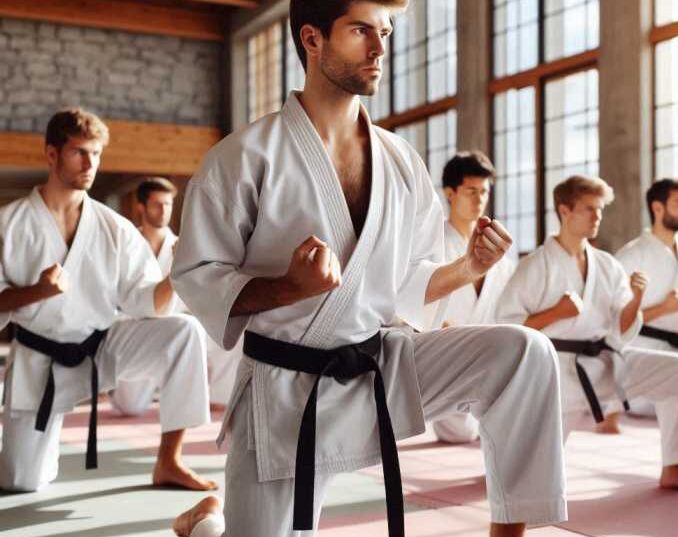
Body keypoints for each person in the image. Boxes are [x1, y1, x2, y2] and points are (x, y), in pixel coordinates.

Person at [170, 2, 567, 537]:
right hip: (286, 392)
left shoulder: (401, 159)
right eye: (361, 31)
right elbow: (198, 277)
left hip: (379, 365)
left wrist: (467, 266)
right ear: (312, 40)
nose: (380, 49)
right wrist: (289, 287)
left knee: (525, 353)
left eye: (385, 31)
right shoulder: (242, 158)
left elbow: (408, 280)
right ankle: (206, 522)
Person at [0, 108, 216, 492]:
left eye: (96, 154)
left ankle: (169, 460)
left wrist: (179, 272)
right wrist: (38, 291)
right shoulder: (11, 223)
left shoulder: (113, 226)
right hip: (39, 361)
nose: (90, 163)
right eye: (79, 152)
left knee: (185, 331)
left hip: (101, 347)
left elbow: (145, 300)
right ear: (51, 154)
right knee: (21, 481)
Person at [497, 175, 678, 495]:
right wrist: (555, 313)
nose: (597, 217)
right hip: (556, 372)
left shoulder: (607, 265)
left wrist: (637, 301)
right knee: (526, 478)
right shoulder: (535, 266)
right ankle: (506, 470)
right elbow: (507, 330)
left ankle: (674, 467)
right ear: (565, 211)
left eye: (600, 210)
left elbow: (622, 326)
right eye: (589, 209)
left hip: (606, 360)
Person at [110, 177, 238, 416]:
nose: (164, 210)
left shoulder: (184, 246)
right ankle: (136, 387)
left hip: (180, 324)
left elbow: (205, 291)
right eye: (157, 204)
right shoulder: (126, 245)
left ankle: (215, 397)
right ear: (141, 207)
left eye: (168, 204)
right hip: (138, 329)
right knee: (130, 408)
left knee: (230, 335)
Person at [430, 151, 515, 444]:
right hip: (443, 360)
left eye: (484, 192)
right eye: (471, 191)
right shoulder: (431, 245)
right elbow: (409, 305)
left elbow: (507, 312)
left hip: (488, 363)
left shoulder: (500, 256)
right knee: (459, 433)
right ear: (449, 193)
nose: (479, 199)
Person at [615, 179, 678, 415]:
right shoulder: (631, 255)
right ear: (657, 208)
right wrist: (663, 308)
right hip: (643, 349)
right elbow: (615, 322)